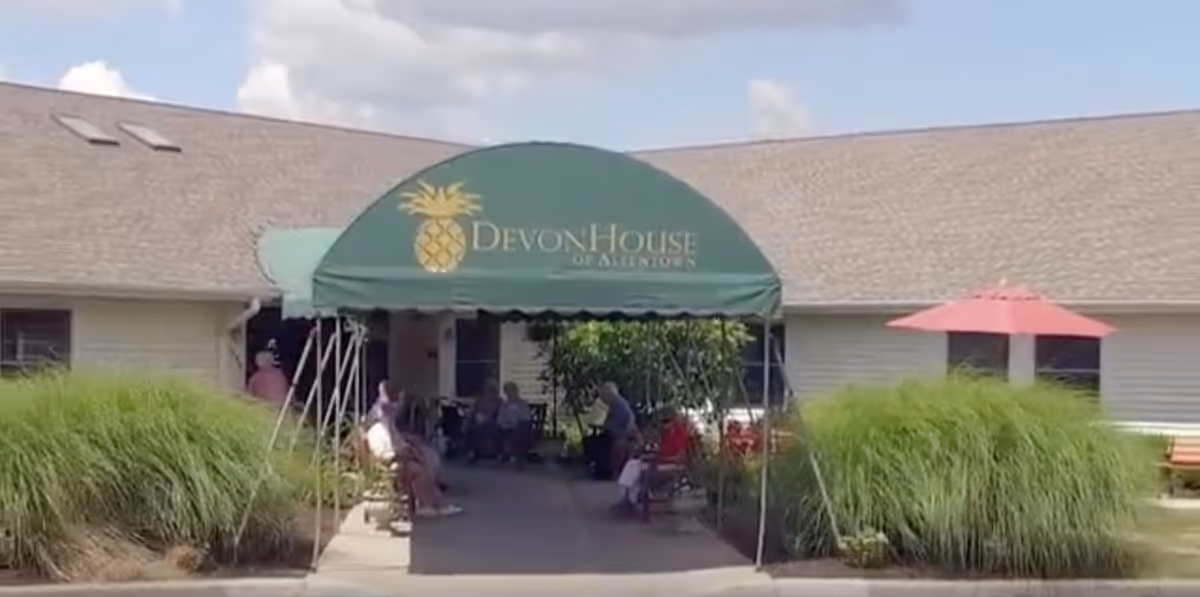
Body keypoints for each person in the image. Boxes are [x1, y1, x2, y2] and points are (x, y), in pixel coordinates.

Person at [365, 397, 462, 518]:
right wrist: (403, 454)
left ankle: (436, 503)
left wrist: (410, 450)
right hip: (389, 464)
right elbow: (381, 455)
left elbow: (399, 443)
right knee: (418, 469)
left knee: (422, 464)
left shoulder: (389, 429)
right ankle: (427, 504)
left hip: (400, 459)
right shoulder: (376, 432)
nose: (392, 415)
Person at [614, 407, 692, 513]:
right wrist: (654, 454)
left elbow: (680, 457)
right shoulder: (667, 433)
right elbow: (661, 449)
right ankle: (628, 497)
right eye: (662, 422)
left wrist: (660, 458)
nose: (664, 424)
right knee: (633, 464)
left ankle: (630, 499)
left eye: (666, 421)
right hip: (660, 461)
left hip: (670, 464)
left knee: (639, 469)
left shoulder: (680, 433)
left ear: (674, 420)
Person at [584, 381, 637, 480]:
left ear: (609, 395)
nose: (603, 399)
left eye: (604, 397)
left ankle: (606, 471)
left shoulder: (619, 405)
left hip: (620, 435)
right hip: (614, 433)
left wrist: (604, 427)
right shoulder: (615, 404)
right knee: (593, 441)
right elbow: (608, 422)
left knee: (597, 445)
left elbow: (624, 422)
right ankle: (600, 469)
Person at [466, 380, 503, 462]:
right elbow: (475, 411)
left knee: (489, 426)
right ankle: (473, 452)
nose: (489, 392)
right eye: (487, 390)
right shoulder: (480, 400)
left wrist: (488, 416)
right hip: (480, 420)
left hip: (494, 421)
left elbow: (500, 414)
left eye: (491, 390)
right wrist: (477, 415)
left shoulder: (499, 401)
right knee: (472, 426)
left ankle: (496, 453)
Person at [497, 381, 534, 463]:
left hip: (518, 426)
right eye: (507, 392)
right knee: (496, 429)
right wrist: (503, 424)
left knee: (519, 430)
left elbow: (526, 418)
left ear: (516, 391)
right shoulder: (504, 405)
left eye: (511, 391)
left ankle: (514, 454)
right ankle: (502, 454)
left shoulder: (522, 404)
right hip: (505, 426)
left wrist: (515, 423)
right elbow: (500, 418)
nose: (509, 394)